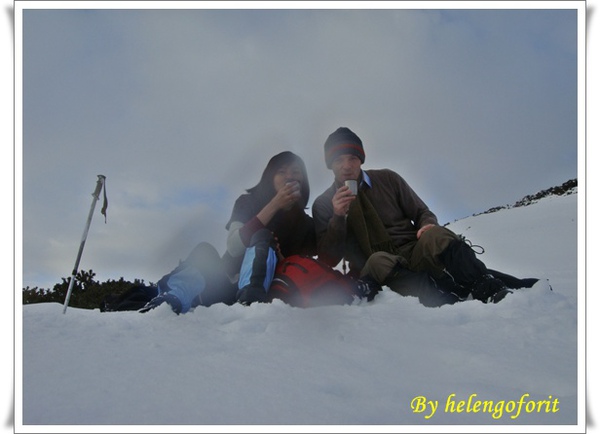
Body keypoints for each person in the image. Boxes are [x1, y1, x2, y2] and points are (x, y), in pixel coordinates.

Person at [312, 127, 538, 307]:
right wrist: (338, 217)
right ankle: (445, 300)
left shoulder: (388, 179)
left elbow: (422, 213)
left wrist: (427, 225)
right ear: (330, 165)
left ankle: (489, 288)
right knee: (379, 260)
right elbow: (328, 257)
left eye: (351, 158)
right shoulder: (324, 203)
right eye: (338, 160)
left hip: (414, 251)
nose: (346, 166)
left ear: (361, 159)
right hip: (377, 266)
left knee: (439, 235)